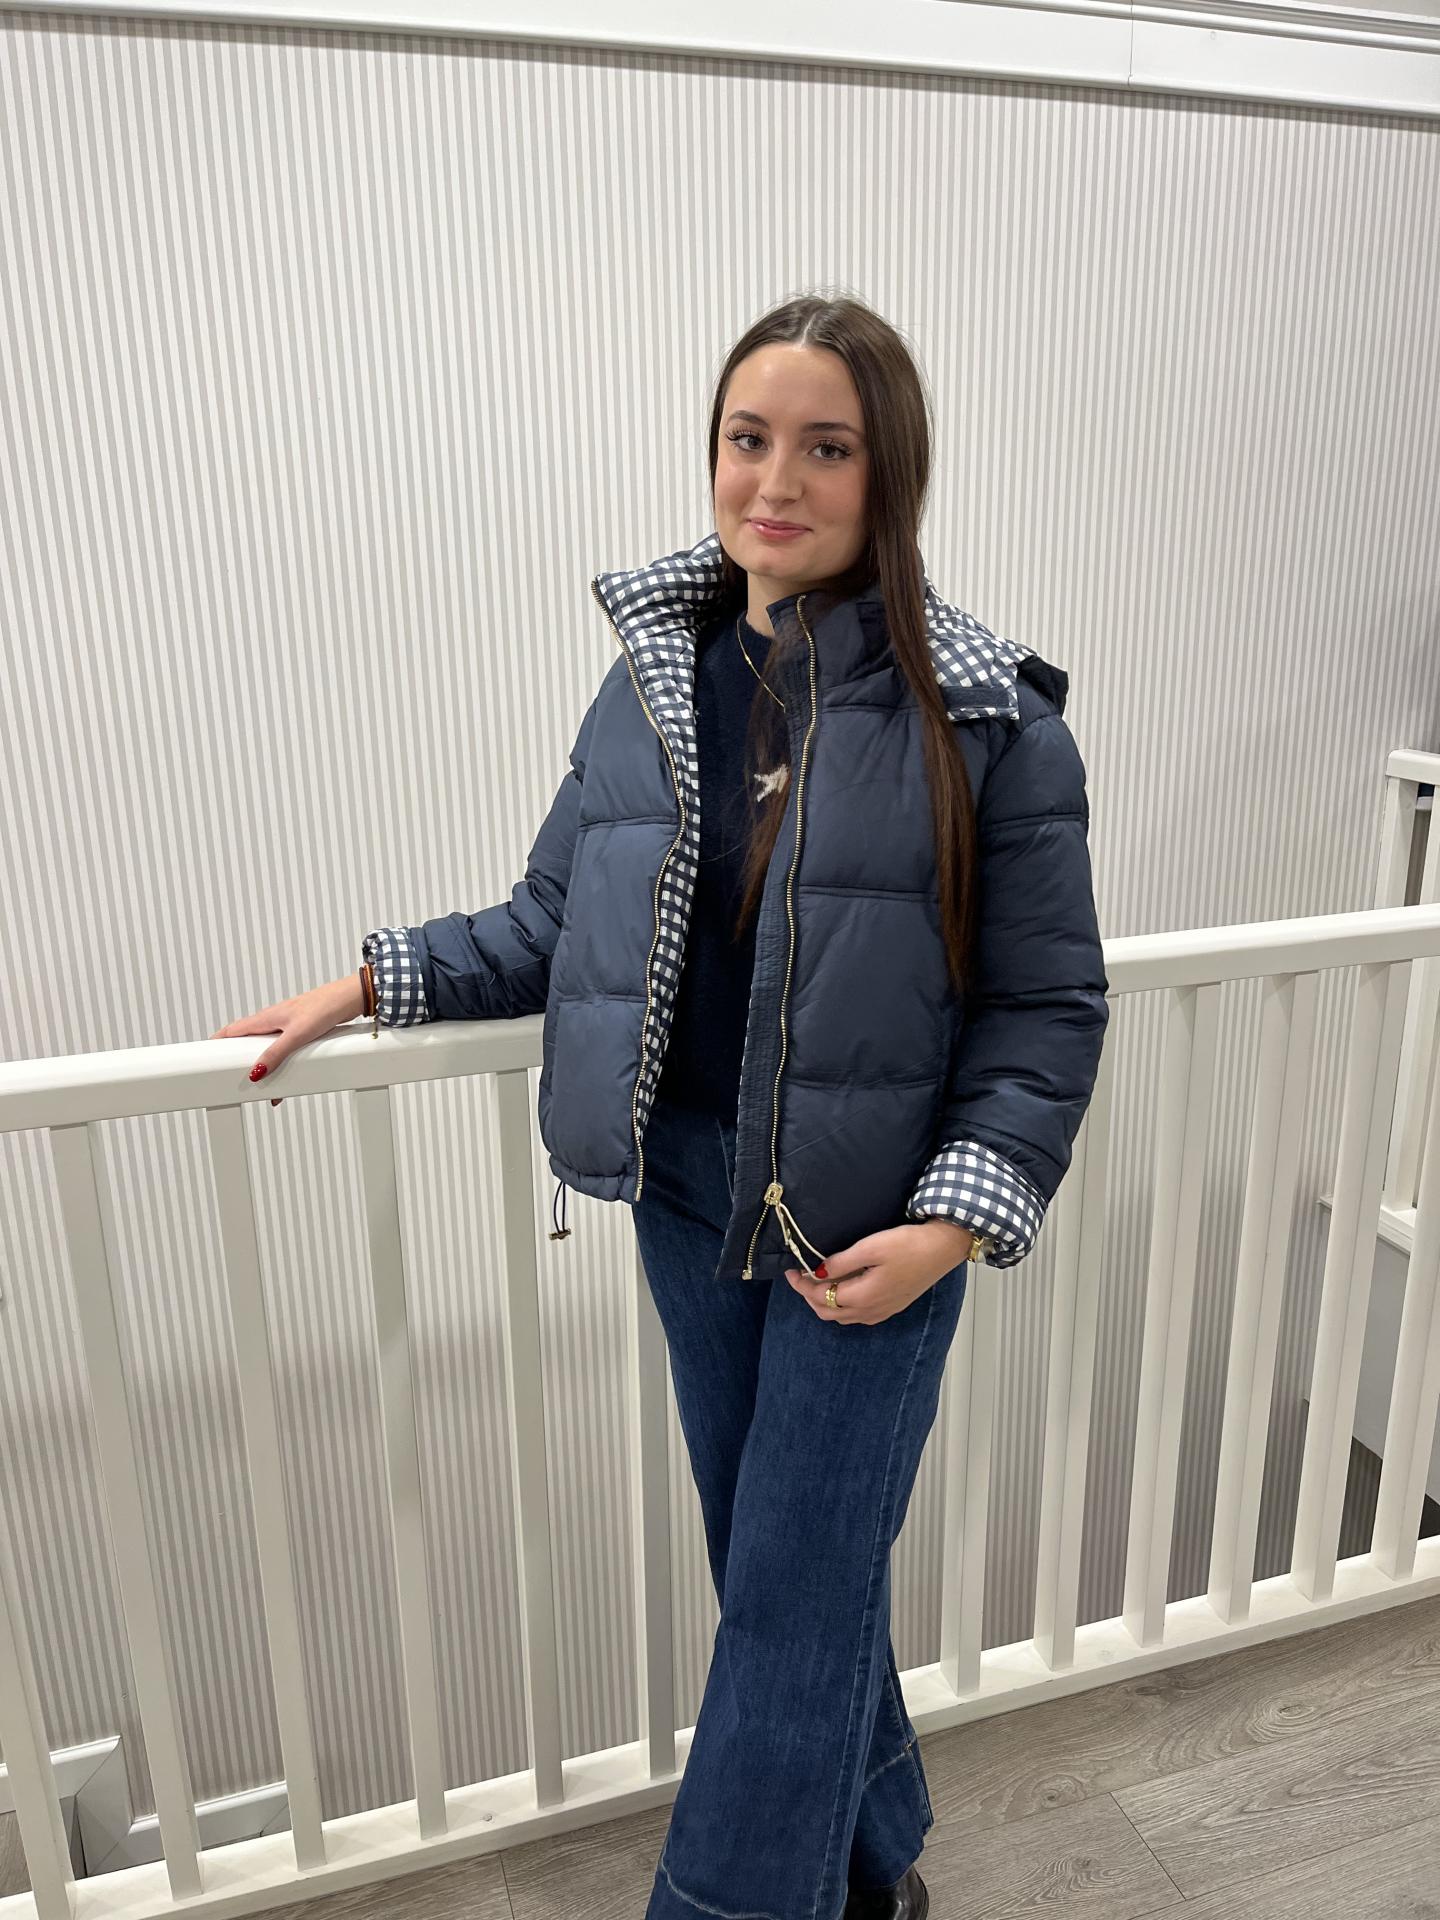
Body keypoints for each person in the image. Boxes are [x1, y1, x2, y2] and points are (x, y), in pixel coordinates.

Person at [210, 293, 1110, 1920]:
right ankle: (880, 1859)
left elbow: (1046, 1010)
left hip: (871, 1232)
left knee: (786, 1592)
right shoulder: (651, 682)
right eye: (747, 438)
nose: (777, 479)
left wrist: (954, 1224)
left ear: (890, 471)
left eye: (826, 447)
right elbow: (555, 923)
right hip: (689, 1197)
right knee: (775, 1571)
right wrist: (367, 981)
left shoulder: (990, 722)